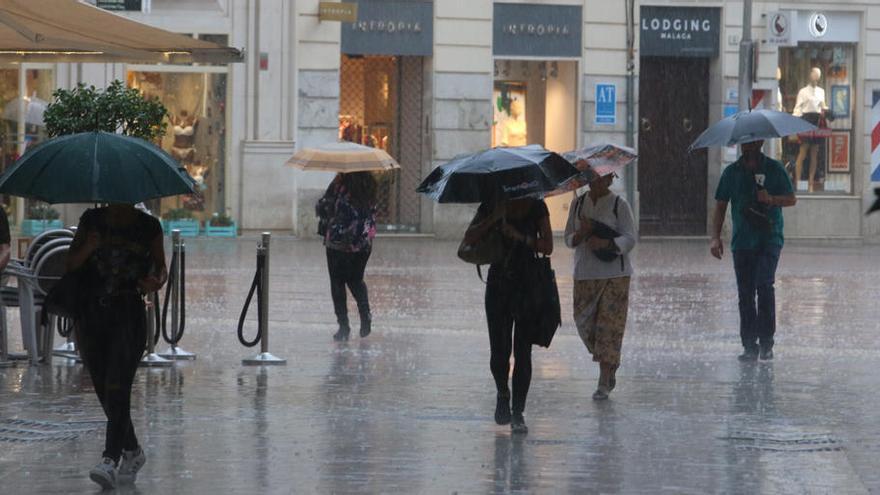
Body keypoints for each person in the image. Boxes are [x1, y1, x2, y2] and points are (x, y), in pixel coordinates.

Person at [67, 203, 166, 489]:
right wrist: (90, 246)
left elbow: (161, 269)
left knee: (118, 385)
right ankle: (132, 450)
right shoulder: (91, 220)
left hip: (128, 313)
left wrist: (154, 282)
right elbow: (71, 264)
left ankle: (109, 459)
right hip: (92, 315)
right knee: (103, 389)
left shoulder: (149, 226)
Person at [464, 196, 552, 434]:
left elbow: (548, 246)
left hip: (527, 285)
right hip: (498, 285)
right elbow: (468, 240)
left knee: (523, 351)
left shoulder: (537, 206)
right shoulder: (491, 205)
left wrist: (520, 236)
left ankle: (518, 412)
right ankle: (503, 392)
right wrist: (492, 219)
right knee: (499, 351)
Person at [711, 140, 796, 362]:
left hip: (769, 237)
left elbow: (791, 199)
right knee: (745, 293)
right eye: (743, 142)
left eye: (751, 142)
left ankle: (767, 342)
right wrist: (715, 237)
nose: (747, 146)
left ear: (760, 142)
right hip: (742, 241)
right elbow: (720, 206)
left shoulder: (774, 169)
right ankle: (749, 344)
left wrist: (771, 199)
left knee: (764, 285)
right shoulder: (731, 172)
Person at [564, 168, 636, 400]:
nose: (598, 182)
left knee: (609, 328)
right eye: (593, 177)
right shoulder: (578, 204)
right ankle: (610, 360)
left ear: (609, 179)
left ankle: (604, 378)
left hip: (615, 275)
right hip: (584, 274)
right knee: (585, 325)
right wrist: (581, 234)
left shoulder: (619, 204)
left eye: (603, 177)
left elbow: (630, 237)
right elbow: (568, 238)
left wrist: (606, 243)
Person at [317, 172, 378, 341]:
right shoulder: (369, 184)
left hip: (339, 240)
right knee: (356, 280)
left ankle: (343, 326)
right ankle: (365, 314)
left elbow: (325, 206)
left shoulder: (339, 184)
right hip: (363, 242)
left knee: (337, 282)